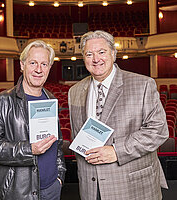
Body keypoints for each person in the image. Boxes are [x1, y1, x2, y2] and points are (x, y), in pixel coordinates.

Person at [68, 30, 169, 200]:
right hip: (91, 187)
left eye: (101, 52)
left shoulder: (143, 84)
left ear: (113, 54)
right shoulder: (75, 91)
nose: (96, 59)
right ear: (83, 58)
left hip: (133, 185)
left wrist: (117, 151)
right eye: (89, 54)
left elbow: (158, 130)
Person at [0, 40, 66, 200]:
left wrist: (59, 176)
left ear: (49, 68)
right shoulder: (0, 101)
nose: (39, 69)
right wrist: (28, 150)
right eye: (33, 63)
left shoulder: (50, 99)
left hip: (52, 189)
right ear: (22, 65)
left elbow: (57, 144)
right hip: (17, 193)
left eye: (44, 64)